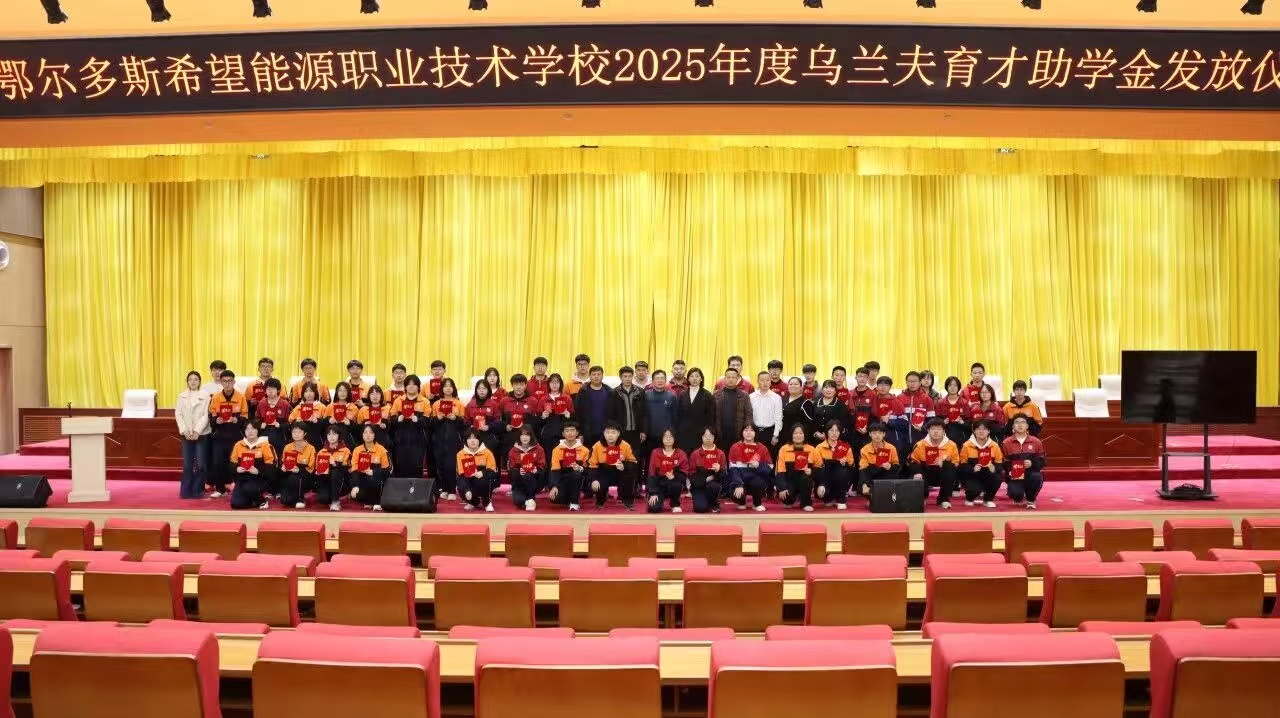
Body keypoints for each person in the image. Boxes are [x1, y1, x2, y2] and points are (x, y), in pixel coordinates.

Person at [208, 370, 249, 499]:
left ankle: (239, 488)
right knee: (218, 463)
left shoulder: (241, 397)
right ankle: (220, 489)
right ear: (221, 382)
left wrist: (238, 420)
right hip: (220, 436)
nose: (227, 383)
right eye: (224, 381)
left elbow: (245, 416)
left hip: (236, 436)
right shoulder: (216, 397)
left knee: (236, 463)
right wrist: (216, 420)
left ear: (234, 382)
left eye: (230, 381)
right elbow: (211, 416)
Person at [908, 419, 960, 509]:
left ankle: (943, 499)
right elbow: (912, 461)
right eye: (933, 429)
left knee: (950, 471)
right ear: (928, 431)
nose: (936, 432)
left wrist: (944, 463)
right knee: (916, 474)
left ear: (944, 431)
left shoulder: (952, 445)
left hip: (942, 474)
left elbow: (956, 464)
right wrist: (917, 472)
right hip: (925, 473)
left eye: (939, 429)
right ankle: (922, 496)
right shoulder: (920, 444)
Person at [587, 421, 639, 510]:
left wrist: (624, 465)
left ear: (618, 433)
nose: (610, 435)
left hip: (620, 473)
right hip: (603, 473)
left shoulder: (625, 445)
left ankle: (627, 500)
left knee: (630, 470)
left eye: (613, 432)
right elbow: (592, 466)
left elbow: (634, 462)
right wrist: (594, 479)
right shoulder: (597, 446)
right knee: (595, 482)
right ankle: (601, 499)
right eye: (607, 432)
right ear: (604, 433)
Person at [176, 370, 211, 499]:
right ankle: (186, 491)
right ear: (187, 382)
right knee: (187, 465)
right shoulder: (181, 396)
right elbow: (178, 414)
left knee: (201, 464)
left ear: (200, 381)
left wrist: (197, 431)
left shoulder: (206, 396)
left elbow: (206, 415)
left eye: (196, 379)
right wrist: (184, 430)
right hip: (186, 434)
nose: (193, 382)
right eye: (190, 379)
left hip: (201, 434)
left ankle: (198, 490)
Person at [1002, 414, 1047, 509]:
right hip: (1015, 475)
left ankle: (1031, 499)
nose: (1020, 425)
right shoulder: (1006, 443)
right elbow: (1004, 461)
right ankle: (1017, 494)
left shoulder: (1036, 441)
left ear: (1027, 426)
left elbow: (1042, 460)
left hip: (1031, 473)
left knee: (1037, 476)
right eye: (1017, 422)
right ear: (1013, 426)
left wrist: (1032, 463)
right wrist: (1010, 470)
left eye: (1023, 422)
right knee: (1016, 495)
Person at [431, 378, 466, 501]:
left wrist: (455, 418)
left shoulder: (459, 404)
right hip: (439, 439)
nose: (448, 388)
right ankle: (444, 489)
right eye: (445, 386)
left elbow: (464, 423)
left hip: (454, 439)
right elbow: (431, 424)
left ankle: (452, 490)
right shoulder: (436, 404)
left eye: (450, 386)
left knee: (451, 465)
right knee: (441, 464)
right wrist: (438, 418)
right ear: (442, 389)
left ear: (453, 388)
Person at [390, 376, 430, 479]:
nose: (411, 386)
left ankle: (414, 488)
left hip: (418, 441)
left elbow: (427, 421)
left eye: (414, 384)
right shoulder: (398, 400)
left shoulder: (425, 401)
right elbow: (392, 420)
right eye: (409, 384)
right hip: (400, 440)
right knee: (400, 467)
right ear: (405, 387)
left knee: (416, 467)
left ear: (418, 387)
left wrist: (418, 420)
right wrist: (398, 419)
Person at [606, 366, 648, 464]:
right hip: (621, 431)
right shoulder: (614, 393)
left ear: (633, 376)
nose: (627, 379)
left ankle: (636, 474)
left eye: (630, 376)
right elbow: (611, 414)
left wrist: (643, 430)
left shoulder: (640, 391)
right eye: (625, 376)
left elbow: (644, 413)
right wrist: (614, 431)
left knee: (636, 457)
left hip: (636, 432)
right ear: (620, 377)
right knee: (621, 457)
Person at [229, 422, 276, 510]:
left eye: (253, 429)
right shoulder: (238, 445)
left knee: (250, 487)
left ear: (258, 430)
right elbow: (232, 463)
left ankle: (261, 500)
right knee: (237, 504)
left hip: (259, 478)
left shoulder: (266, 445)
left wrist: (258, 471)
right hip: (242, 479)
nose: (250, 431)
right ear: (244, 431)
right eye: (247, 429)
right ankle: (252, 500)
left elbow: (272, 466)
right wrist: (236, 468)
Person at [728, 424, 773, 511]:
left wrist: (759, 465)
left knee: (758, 483)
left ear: (755, 433)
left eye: (751, 430)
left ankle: (757, 503)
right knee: (737, 493)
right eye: (746, 430)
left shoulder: (762, 448)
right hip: (740, 479)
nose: (748, 433)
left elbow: (769, 469)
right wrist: (738, 484)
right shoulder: (735, 447)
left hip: (756, 480)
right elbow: (732, 469)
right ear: (741, 432)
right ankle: (741, 502)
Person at [959, 420, 1004, 508]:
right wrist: (972, 469)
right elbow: (962, 465)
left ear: (989, 431)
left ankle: (988, 499)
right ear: (974, 431)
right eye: (978, 429)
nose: (981, 431)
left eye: (984, 429)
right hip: (972, 476)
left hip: (988, 475)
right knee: (973, 489)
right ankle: (969, 498)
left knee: (998, 477)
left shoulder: (994, 445)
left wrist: (994, 468)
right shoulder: (967, 445)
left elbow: (999, 464)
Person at [776, 424, 819, 511]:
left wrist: (811, 471)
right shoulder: (783, 449)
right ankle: (790, 499)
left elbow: (819, 469)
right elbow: (780, 471)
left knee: (806, 478)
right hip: (790, 482)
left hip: (805, 481)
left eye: (801, 433)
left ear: (805, 435)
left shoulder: (812, 450)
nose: (798, 435)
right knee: (787, 500)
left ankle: (806, 503)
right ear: (791, 435)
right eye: (795, 433)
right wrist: (782, 487)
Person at [548, 421, 590, 511]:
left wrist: (580, 468)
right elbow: (555, 471)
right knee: (555, 499)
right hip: (563, 479)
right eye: (567, 431)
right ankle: (569, 497)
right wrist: (554, 486)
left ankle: (574, 502)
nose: (570, 433)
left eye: (572, 430)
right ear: (563, 434)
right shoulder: (556, 450)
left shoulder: (585, 450)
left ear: (577, 433)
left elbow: (589, 470)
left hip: (579, 479)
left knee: (576, 474)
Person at [500, 374, 541, 466]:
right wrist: (505, 426)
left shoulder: (533, 401)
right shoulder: (504, 401)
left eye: (521, 384)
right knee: (511, 465)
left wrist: (527, 427)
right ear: (512, 385)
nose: (518, 387)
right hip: (509, 438)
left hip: (527, 439)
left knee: (526, 466)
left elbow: (537, 421)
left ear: (526, 385)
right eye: (516, 384)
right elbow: (500, 419)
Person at [814, 420, 854, 510]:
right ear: (827, 432)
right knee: (824, 498)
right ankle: (829, 497)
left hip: (840, 478)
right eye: (831, 430)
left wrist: (845, 463)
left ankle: (841, 499)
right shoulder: (819, 447)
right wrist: (821, 484)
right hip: (825, 479)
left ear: (840, 433)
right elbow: (818, 468)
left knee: (843, 470)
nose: (834, 433)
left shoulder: (846, 447)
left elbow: (851, 465)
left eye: (837, 431)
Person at [674, 367, 717, 454]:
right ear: (688, 379)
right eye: (692, 376)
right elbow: (678, 415)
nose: (694, 378)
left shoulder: (707, 395)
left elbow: (711, 416)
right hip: (684, 434)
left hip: (700, 434)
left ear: (701, 379)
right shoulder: (682, 394)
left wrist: (708, 432)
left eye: (697, 376)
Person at [350, 424, 392, 511]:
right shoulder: (357, 450)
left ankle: (376, 502)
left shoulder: (382, 450)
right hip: (363, 480)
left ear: (375, 435)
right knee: (357, 495)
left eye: (371, 432)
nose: (368, 435)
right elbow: (354, 469)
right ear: (362, 435)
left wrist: (374, 472)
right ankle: (369, 500)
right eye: (365, 432)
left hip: (378, 480)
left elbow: (388, 471)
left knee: (372, 478)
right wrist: (355, 485)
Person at [646, 428, 687, 513]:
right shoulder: (655, 452)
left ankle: (675, 503)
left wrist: (674, 477)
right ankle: (659, 501)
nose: (668, 439)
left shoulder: (681, 454)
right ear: (662, 438)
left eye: (670, 436)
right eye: (665, 436)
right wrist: (653, 493)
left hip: (673, 484)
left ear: (674, 438)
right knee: (653, 508)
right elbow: (651, 473)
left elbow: (684, 473)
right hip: (659, 486)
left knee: (677, 484)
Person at [457, 430, 499, 512]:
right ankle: (472, 501)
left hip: (483, 478)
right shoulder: (460, 454)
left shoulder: (487, 452)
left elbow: (492, 471)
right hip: (468, 478)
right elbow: (461, 472)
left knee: (484, 480)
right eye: (469, 438)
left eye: (475, 438)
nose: (472, 441)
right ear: (466, 441)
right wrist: (466, 489)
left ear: (479, 440)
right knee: (460, 481)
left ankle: (487, 503)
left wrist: (482, 473)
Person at [688, 427, 727, 513]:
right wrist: (705, 479)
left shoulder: (720, 454)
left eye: (711, 435)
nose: (708, 438)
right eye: (705, 435)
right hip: (698, 486)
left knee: (714, 486)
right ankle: (701, 501)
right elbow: (691, 475)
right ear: (701, 437)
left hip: (713, 486)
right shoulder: (695, 454)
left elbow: (724, 477)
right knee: (700, 508)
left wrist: (719, 470)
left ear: (714, 437)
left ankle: (713, 503)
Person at [279, 423, 318, 509]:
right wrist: (283, 468)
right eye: (294, 432)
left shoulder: (311, 448)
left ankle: (300, 499)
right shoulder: (287, 447)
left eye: (299, 432)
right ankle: (292, 497)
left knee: (294, 477)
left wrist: (299, 471)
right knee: (285, 501)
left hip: (305, 477)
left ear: (305, 434)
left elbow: (311, 470)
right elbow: (283, 463)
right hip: (289, 477)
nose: (296, 434)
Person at [712, 368, 752, 452]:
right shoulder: (716, 395)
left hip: (738, 434)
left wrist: (746, 431)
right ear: (724, 378)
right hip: (720, 435)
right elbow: (711, 415)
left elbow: (748, 414)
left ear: (737, 379)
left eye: (733, 377)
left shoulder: (744, 395)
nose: (731, 379)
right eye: (728, 377)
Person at [897, 371, 935, 459]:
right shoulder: (899, 398)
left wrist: (923, 428)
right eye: (910, 381)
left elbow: (932, 421)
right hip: (902, 440)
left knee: (919, 463)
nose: (912, 384)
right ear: (906, 382)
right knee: (903, 464)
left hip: (920, 439)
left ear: (920, 382)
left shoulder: (927, 399)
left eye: (915, 381)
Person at [538, 373, 574, 463]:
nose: (554, 384)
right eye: (552, 382)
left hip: (563, 434)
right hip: (548, 434)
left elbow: (573, 419)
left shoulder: (567, 398)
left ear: (561, 384)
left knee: (563, 459)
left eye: (557, 382)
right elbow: (538, 420)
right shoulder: (543, 399)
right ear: (548, 384)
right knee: (549, 458)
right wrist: (543, 416)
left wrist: (568, 416)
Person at [857, 422, 900, 497]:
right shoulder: (864, 449)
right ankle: (866, 489)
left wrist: (890, 466)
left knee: (893, 473)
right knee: (863, 472)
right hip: (872, 473)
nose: (877, 435)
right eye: (874, 433)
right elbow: (863, 468)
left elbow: (897, 465)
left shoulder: (891, 448)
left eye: (880, 433)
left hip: (886, 473)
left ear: (884, 434)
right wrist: (864, 483)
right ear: (870, 434)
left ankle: (889, 495)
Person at [508, 427, 546, 511]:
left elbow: (543, 467)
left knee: (528, 475)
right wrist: (518, 472)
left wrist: (536, 470)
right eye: (522, 435)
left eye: (527, 435)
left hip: (534, 480)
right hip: (519, 483)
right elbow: (511, 470)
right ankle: (526, 498)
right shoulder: (513, 451)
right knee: (519, 501)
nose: (524, 437)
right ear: (519, 436)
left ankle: (530, 498)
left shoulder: (539, 449)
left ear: (531, 436)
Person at [643, 370, 677, 463]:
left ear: (665, 380)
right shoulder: (646, 395)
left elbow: (674, 417)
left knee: (664, 461)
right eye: (657, 378)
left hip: (666, 436)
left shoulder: (671, 396)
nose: (660, 380)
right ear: (652, 381)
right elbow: (643, 415)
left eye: (662, 378)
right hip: (649, 435)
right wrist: (643, 431)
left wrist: (672, 433)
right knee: (649, 460)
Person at [572, 365, 610, 446]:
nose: (596, 376)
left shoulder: (609, 391)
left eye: (599, 374)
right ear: (590, 376)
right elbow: (578, 413)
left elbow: (613, 413)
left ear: (602, 376)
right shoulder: (583, 392)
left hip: (606, 432)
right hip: (588, 432)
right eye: (594, 374)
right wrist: (580, 433)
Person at [315, 426, 351, 511]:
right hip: (326, 480)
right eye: (329, 434)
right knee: (322, 499)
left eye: (334, 434)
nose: (331, 436)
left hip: (342, 482)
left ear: (339, 436)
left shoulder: (346, 451)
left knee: (335, 472)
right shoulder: (321, 452)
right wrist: (318, 473)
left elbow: (348, 471)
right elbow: (317, 470)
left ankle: (335, 501)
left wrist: (335, 464)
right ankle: (329, 497)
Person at [749, 370, 783, 455]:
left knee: (769, 458)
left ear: (770, 381)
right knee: (754, 458)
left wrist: (775, 435)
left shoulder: (776, 398)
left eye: (767, 380)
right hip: (755, 432)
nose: (765, 383)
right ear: (758, 381)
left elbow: (778, 418)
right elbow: (748, 416)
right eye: (762, 380)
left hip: (770, 432)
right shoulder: (751, 397)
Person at [465, 380, 503, 456]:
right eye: (479, 388)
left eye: (484, 388)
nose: (481, 390)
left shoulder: (494, 404)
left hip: (489, 437)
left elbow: (498, 422)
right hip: (473, 437)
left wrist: (489, 427)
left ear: (488, 390)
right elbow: (465, 421)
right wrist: (470, 426)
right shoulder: (470, 405)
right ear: (476, 390)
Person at [256, 378, 291, 459]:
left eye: (273, 388)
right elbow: (256, 420)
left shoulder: (285, 404)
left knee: (278, 457)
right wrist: (260, 425)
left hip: (279, 434)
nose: (270, 391)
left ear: (278, 390)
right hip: (264, 434)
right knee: (264, 458)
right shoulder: (261, 403)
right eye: (268, 389)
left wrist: (280, 425)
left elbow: (290, 423)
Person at [289, 382, 326, 449]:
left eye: (311, 391)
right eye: (306, 391)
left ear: (315, 393)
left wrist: (317, 421)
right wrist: (296, 421)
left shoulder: (322, 407)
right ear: (303, 393)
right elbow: (290, 423)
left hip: (316, 442)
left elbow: (326, 425)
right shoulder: (298, 407)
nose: (308, 394)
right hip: (299, 443)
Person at [848, 367, 877, 454]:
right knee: (852, 455)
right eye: (860, 376)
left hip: (866, 432)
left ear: (868, 378)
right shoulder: (849, 393)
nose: (862, 379)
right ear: (856, 378)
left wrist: (868, 428)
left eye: (865, 376)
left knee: (866, 455)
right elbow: (847, 413)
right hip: (852, 431)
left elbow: (875, 415)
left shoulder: (873, 395)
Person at [781, 377, 817, 447]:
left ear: (801, 387)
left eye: (796, 384)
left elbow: (809, 424)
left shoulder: (805, 403)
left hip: (798, 441)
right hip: (783, 438)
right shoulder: (783, 399)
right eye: (790, 384)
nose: (793, 386)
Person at [937, 376, 972, 445]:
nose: (952, 387)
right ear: (946, 387)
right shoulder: (940, 402)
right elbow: (936, 420)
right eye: (950, 385)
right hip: (944, 436)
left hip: (961, 435)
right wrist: (942, 422)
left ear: (958, 387)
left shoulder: (964, 402)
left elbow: (969, 422)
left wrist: (962, 423)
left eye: (955, 385)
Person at [358, 385, 392, 452]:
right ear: (369, 396)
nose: (375, 396)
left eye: (377, 394)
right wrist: (364, 424)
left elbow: (392, 427)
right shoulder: (363, 409)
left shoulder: (387, 409)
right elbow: (357, 429)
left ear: (381, 395)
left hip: (383, 443)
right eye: (372, 394)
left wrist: (385, 426)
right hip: (367, 444)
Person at [326, 382, 359, 449]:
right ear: (336, 392)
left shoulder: (354, 408)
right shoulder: (330, 407)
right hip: (331, 443)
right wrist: (329, 420)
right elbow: (323, 425)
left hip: (348, 444)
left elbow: (357, 428)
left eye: (345, 390)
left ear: (348, 393)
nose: (342, 393)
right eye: (340, 390)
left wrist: (349, 423)